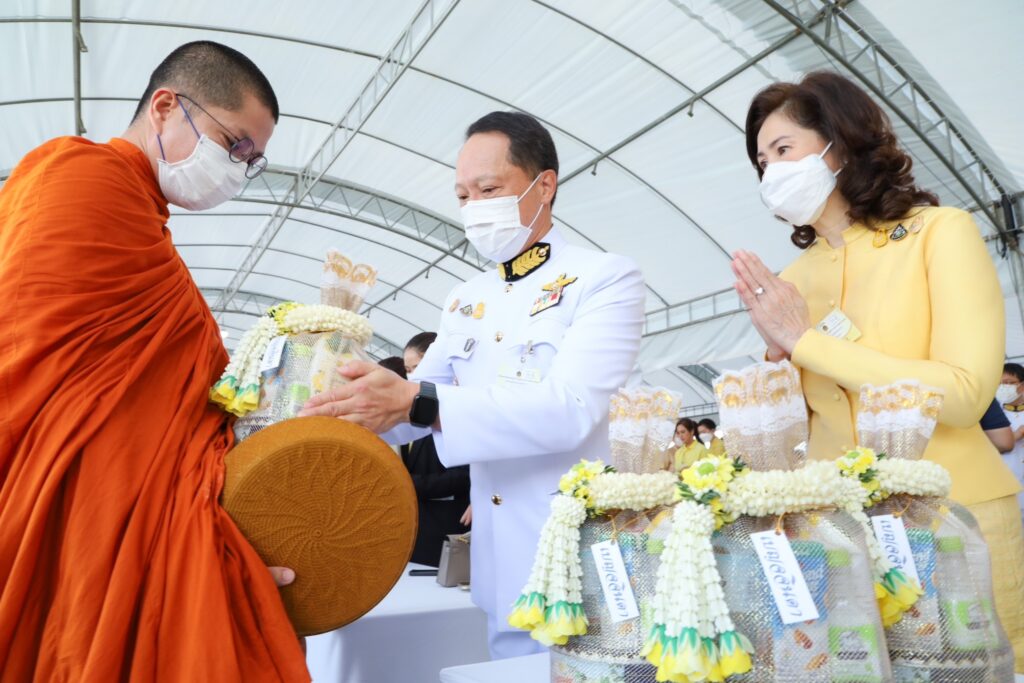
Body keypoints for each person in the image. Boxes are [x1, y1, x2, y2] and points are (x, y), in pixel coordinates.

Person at [0, 42, 308, 681]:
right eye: (234, 144)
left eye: (250, 159)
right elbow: (34, 355)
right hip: (79, 504)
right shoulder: (78, 178)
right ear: (165, 107)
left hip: (128, 505)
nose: (236, 168)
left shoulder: (148, 229)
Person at [300, 111, 645, 659]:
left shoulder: (602, 277)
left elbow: (570, 409)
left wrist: (416, 401)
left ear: (544, 186)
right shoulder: (466, 298)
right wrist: (333, 404)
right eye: (463, 196)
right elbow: (407, 410)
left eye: (489, 190)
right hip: (497, 566)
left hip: (571, 566)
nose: (474, 207)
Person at [733, 70, 1023, 668]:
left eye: (783, 150)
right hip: (841, 540)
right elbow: (807, 426)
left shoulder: (939, 233)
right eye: (762, 162)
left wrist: (806, 341)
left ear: (840, 144)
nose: (771, 173)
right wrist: (776, 369)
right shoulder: (794, 280)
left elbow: (965, 394)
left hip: (955, 523)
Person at [395, 333, 471, 567]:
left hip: (445, 519)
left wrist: (406, 484)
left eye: (417, 367)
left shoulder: (459, 411)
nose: (413, 376)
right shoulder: (406, 412)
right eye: (408, 370)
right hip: (416, 522)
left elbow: (464, 473)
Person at [997, 363, 1024, 517]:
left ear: (1022, 385)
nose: (1004, 387)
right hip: (1007, 485)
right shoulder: (993, 414)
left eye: (1009, 383)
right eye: (1001, 383)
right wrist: (1018, 433)